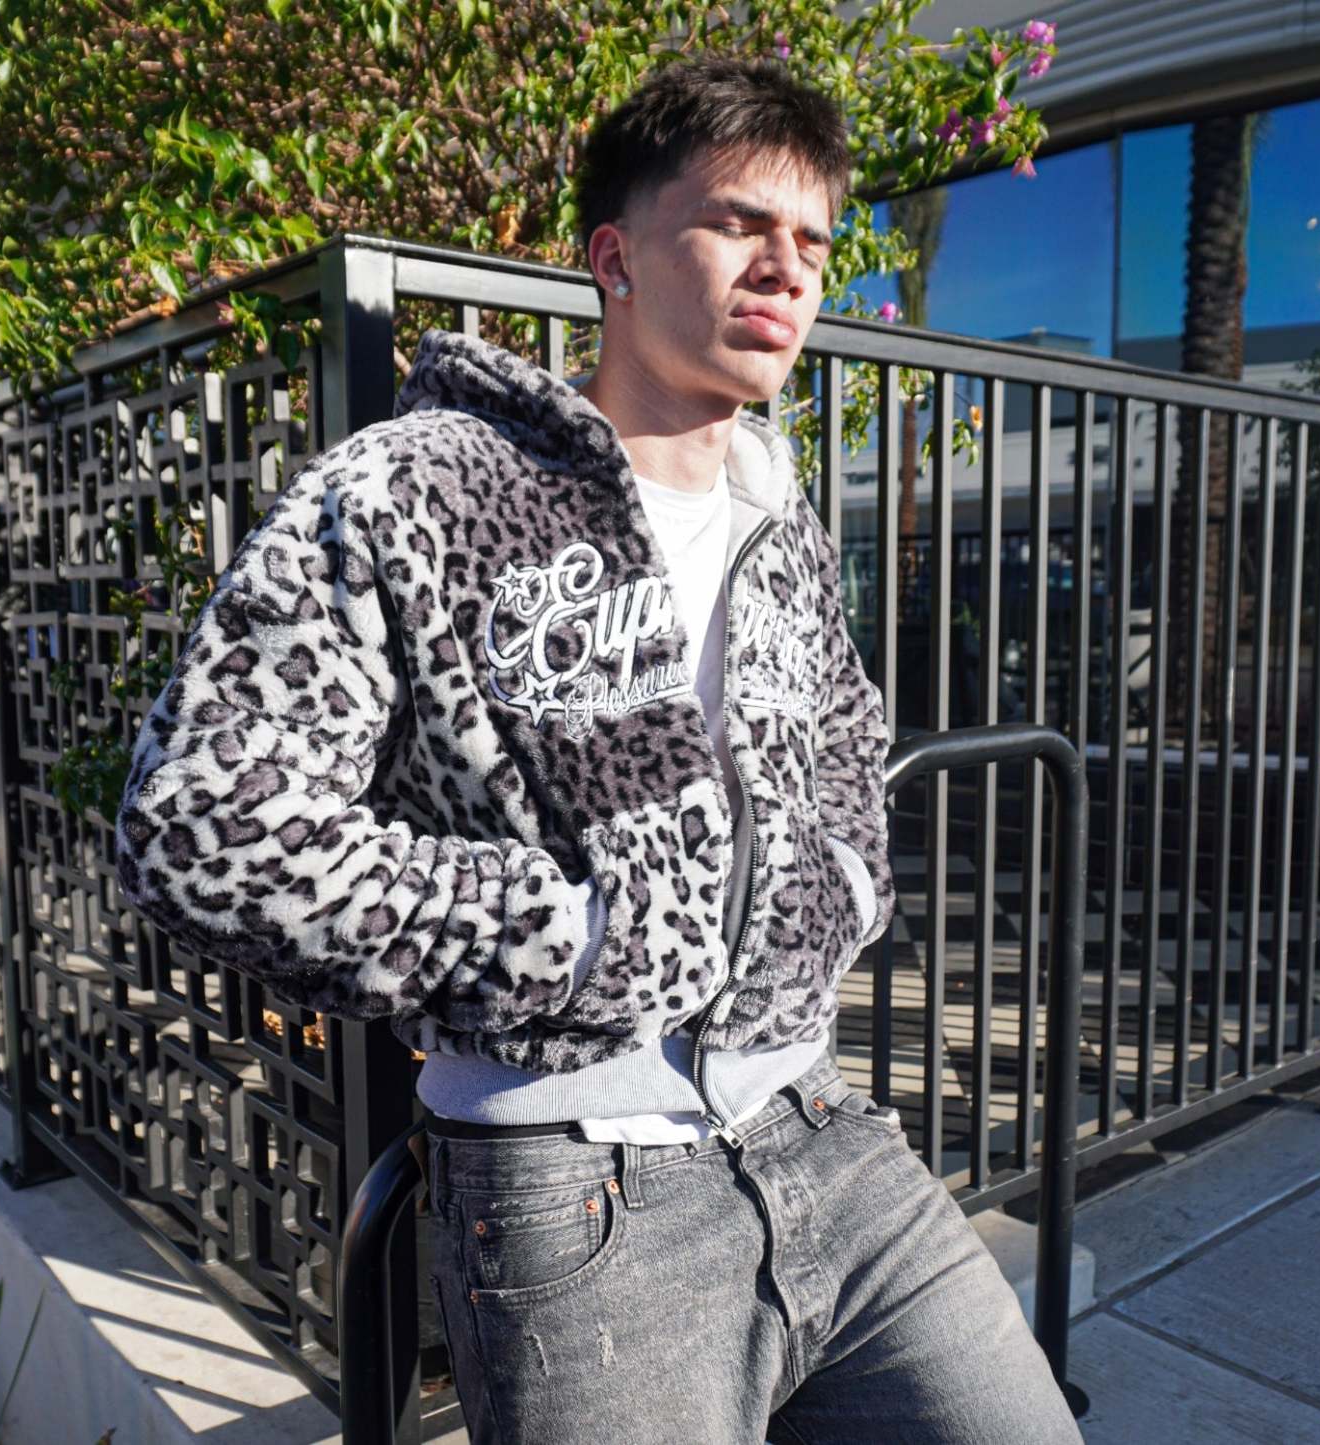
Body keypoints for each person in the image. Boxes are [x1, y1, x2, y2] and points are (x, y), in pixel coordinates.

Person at [115, 54, 1082, 1445]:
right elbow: (201, 826)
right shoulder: (417, 490)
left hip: (824, 1130)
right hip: (577, 1183)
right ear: (615, 257)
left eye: (812, 242)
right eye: (738, 223)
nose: (786, 268)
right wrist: (574, 938)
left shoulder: (781, 520)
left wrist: (843, 889)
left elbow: (846, 740)